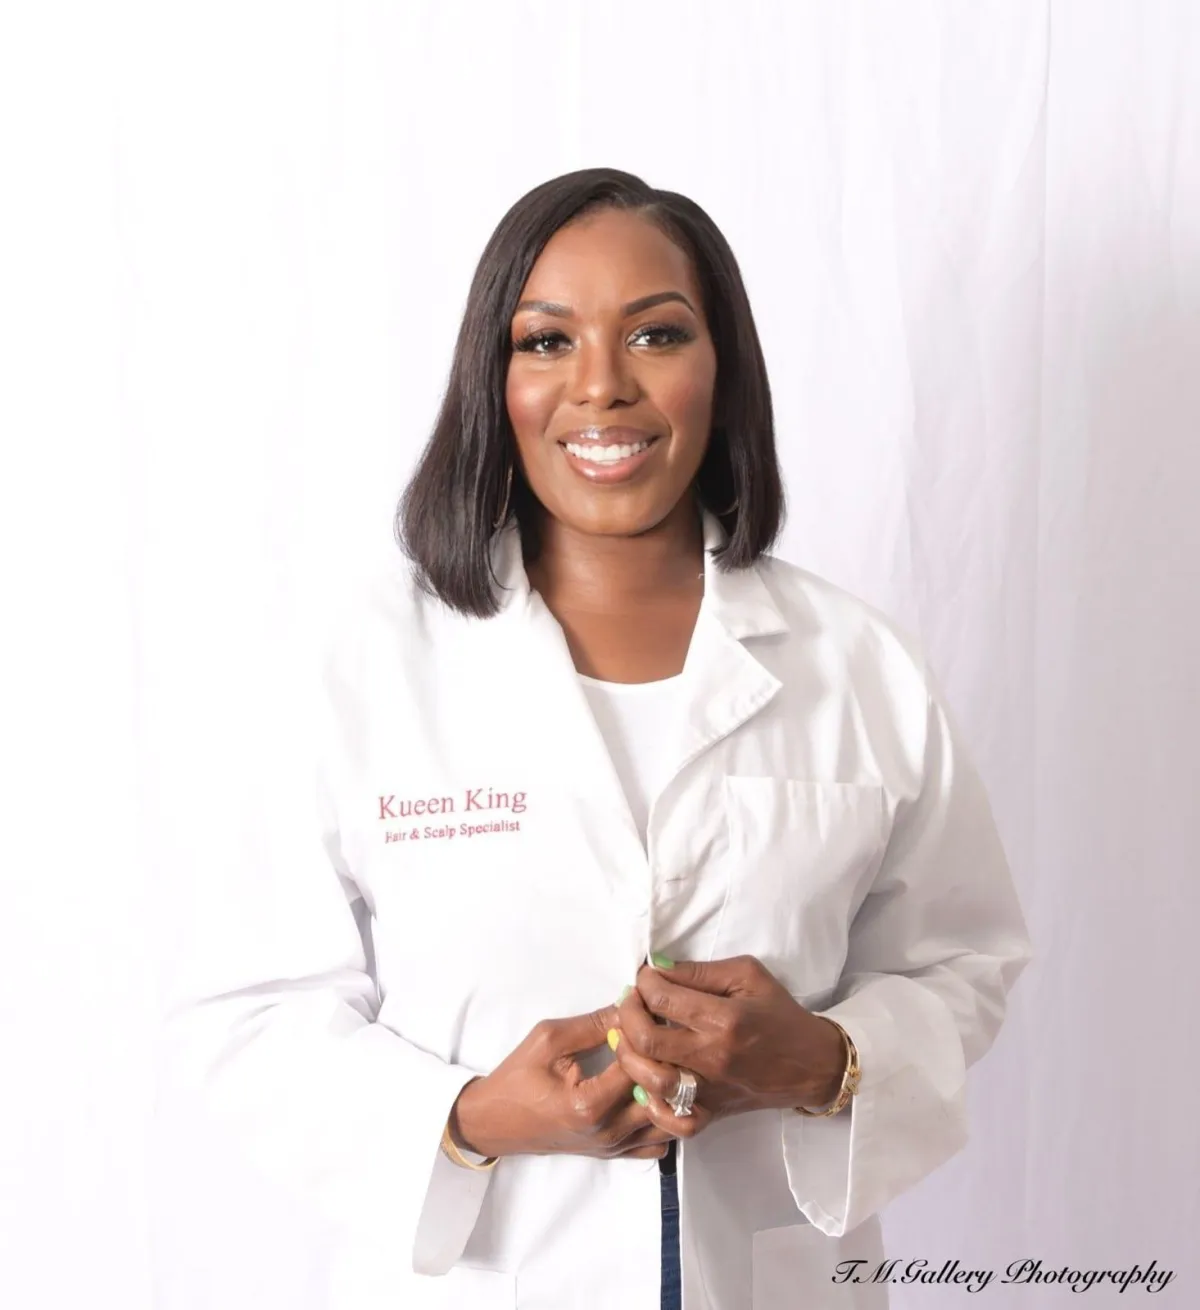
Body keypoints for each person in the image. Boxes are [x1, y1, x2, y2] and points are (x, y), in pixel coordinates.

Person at [164, 167, 1033, 1310]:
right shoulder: (367, 670)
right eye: (547, 341)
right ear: (495, 380)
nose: (602, 385)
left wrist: (828, 1060)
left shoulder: (858, 665)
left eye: (656, 334)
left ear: (723, 368)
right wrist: (472, 1119)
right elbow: (252, 1005)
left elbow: (962, 963)